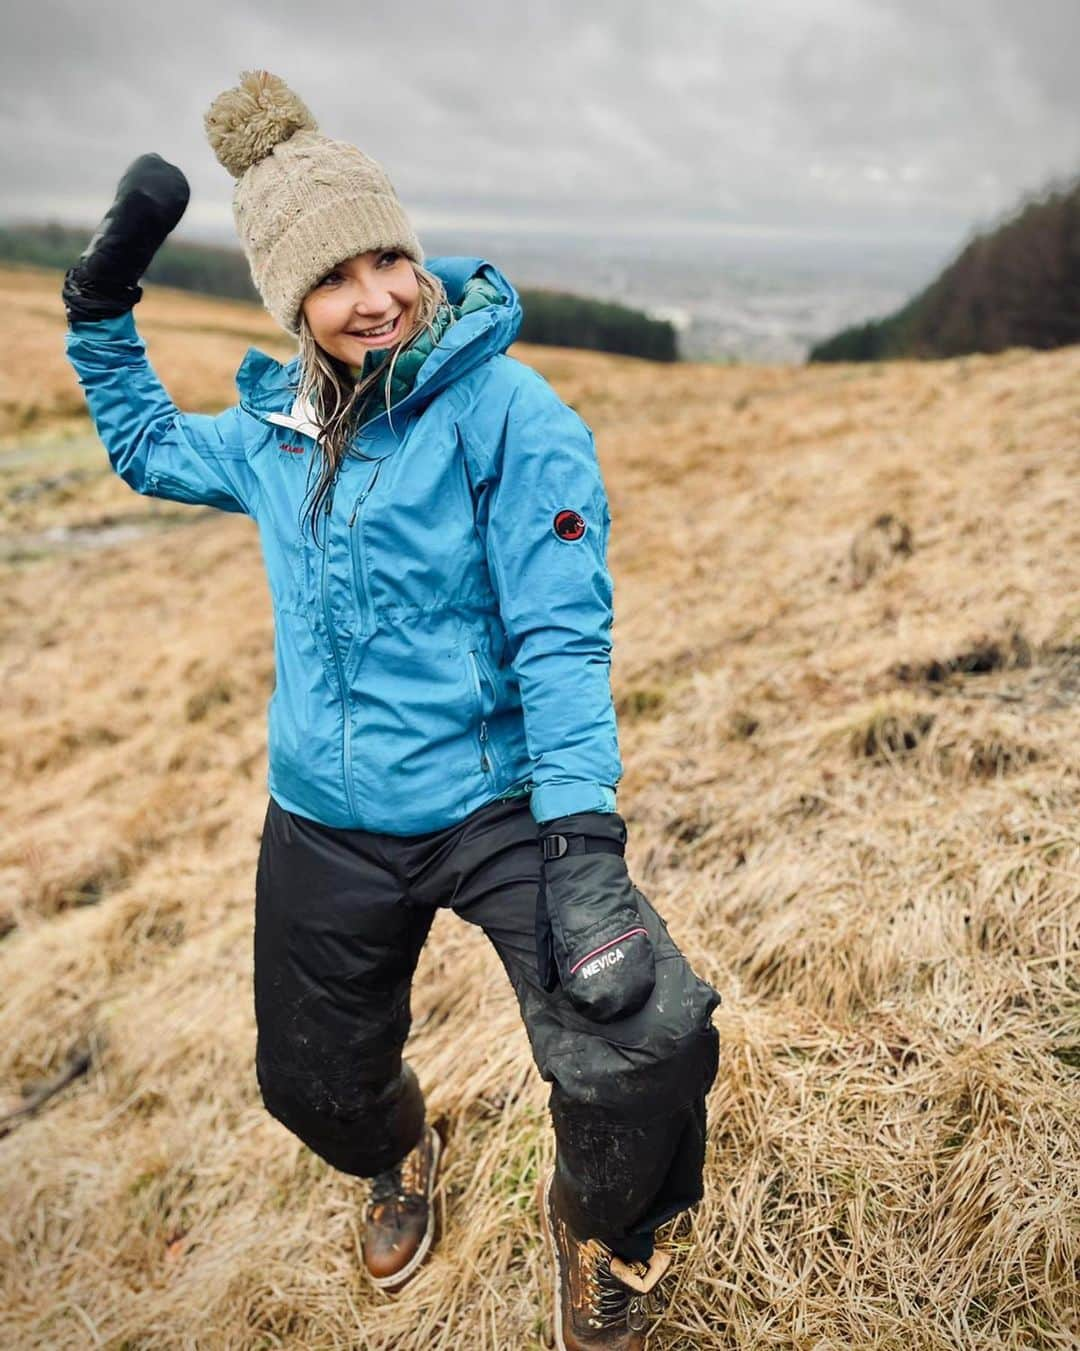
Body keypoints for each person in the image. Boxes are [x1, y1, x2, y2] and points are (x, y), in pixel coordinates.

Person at [62, 70, 721, 1351]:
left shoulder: (511, 416)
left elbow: (561, 635)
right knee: (309, 1085)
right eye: (333, 276)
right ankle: (397, 1151)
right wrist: (99, 312)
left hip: (497, 804)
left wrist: (582, 839)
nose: (374, 296)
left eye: (389, 259)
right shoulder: (274, 436)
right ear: (289, 302)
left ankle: (603, 1229)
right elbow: (143, 445)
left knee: (643, 1043)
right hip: (323, 814)